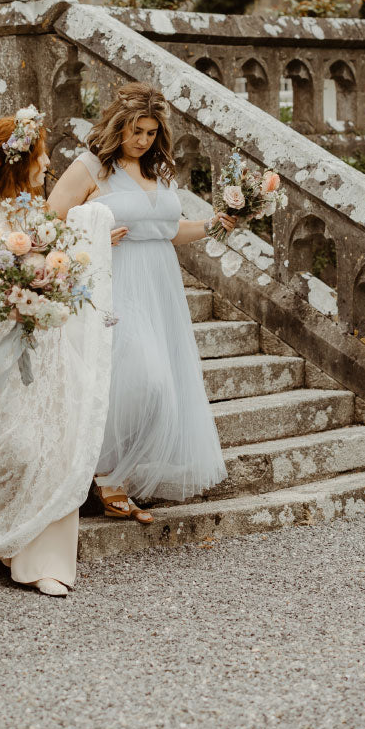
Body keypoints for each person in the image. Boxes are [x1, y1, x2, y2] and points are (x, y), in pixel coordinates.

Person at [0, 110, 113, 597]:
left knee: (55, 444)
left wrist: (58, 282)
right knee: (16, 445)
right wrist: (7, 303)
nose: (48, 163)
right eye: (40, 155)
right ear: (18, 160)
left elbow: (64, 266)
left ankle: (44, 559)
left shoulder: (38, 218)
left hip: (47, 342)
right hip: (0, 347)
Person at [48, 82, 232, 520]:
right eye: (136, 131)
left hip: (161, 285)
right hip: (115, 281)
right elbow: (48, 223)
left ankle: (115, 479)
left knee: (160, 384)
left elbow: (168, 229)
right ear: (118, 126)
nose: (143, 140)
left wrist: (212, 226)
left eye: (151, 132)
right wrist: (90, 240)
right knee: (140, 378)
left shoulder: (159, 171)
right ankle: (99, 472)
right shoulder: (91, 167)